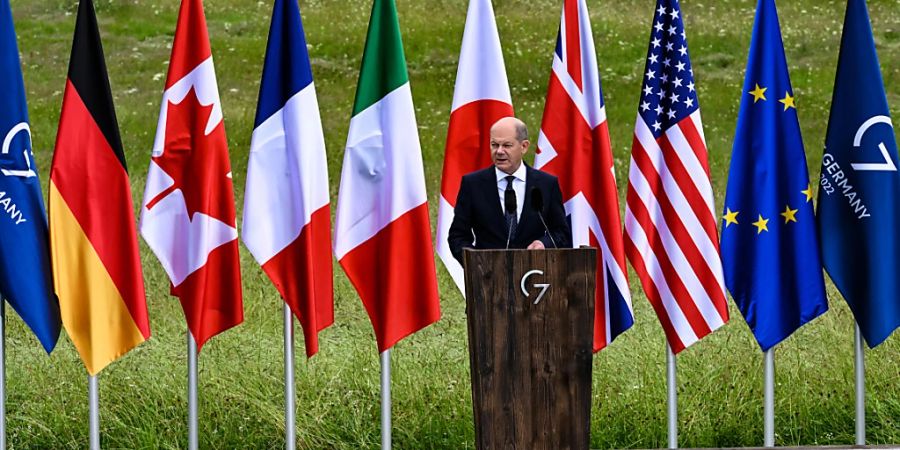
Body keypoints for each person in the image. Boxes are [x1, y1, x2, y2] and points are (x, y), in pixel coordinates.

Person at [448, 117, 571, 264]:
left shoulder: (546, 184)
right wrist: (476, 262)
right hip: (486, 278)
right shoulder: (473, 184)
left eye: (507, 145)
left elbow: (561, 232)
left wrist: (543, 244)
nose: (499, 151)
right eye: (494, 145)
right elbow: (458, 236)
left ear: (524, 146)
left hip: (535, 275)